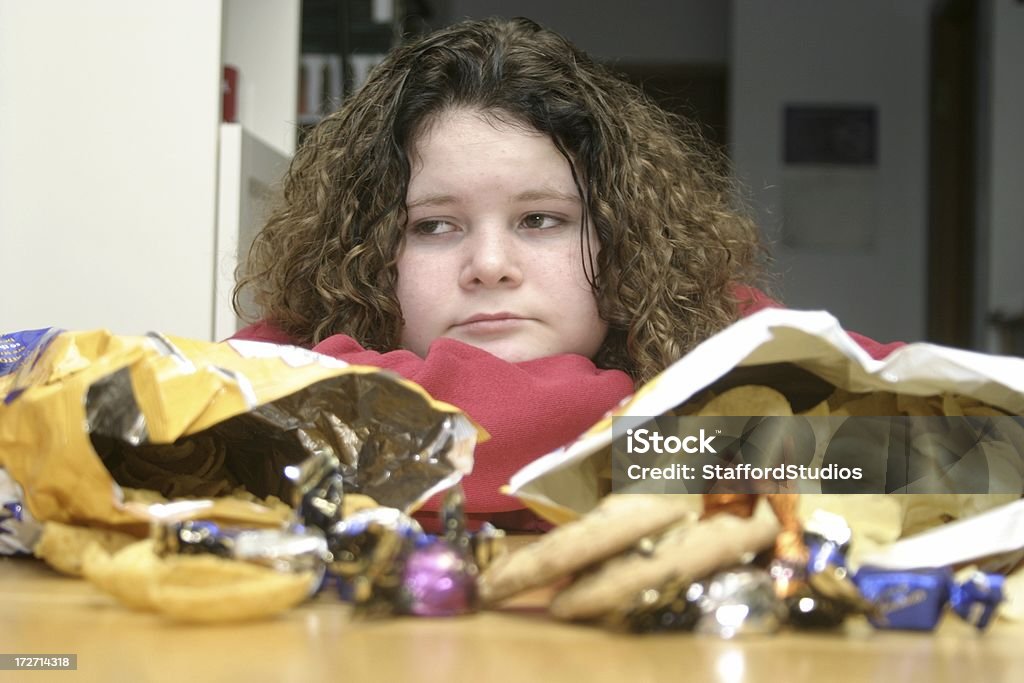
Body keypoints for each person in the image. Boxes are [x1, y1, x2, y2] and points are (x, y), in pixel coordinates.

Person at [232, 17, 900, 530]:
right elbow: (208, 420)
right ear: (367, 248)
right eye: (434, 226)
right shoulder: (296, 346)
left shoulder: (710, 325)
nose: (490, 267)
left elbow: (979, 444)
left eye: (541, 220)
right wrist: (660, 430)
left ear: (619, 233)